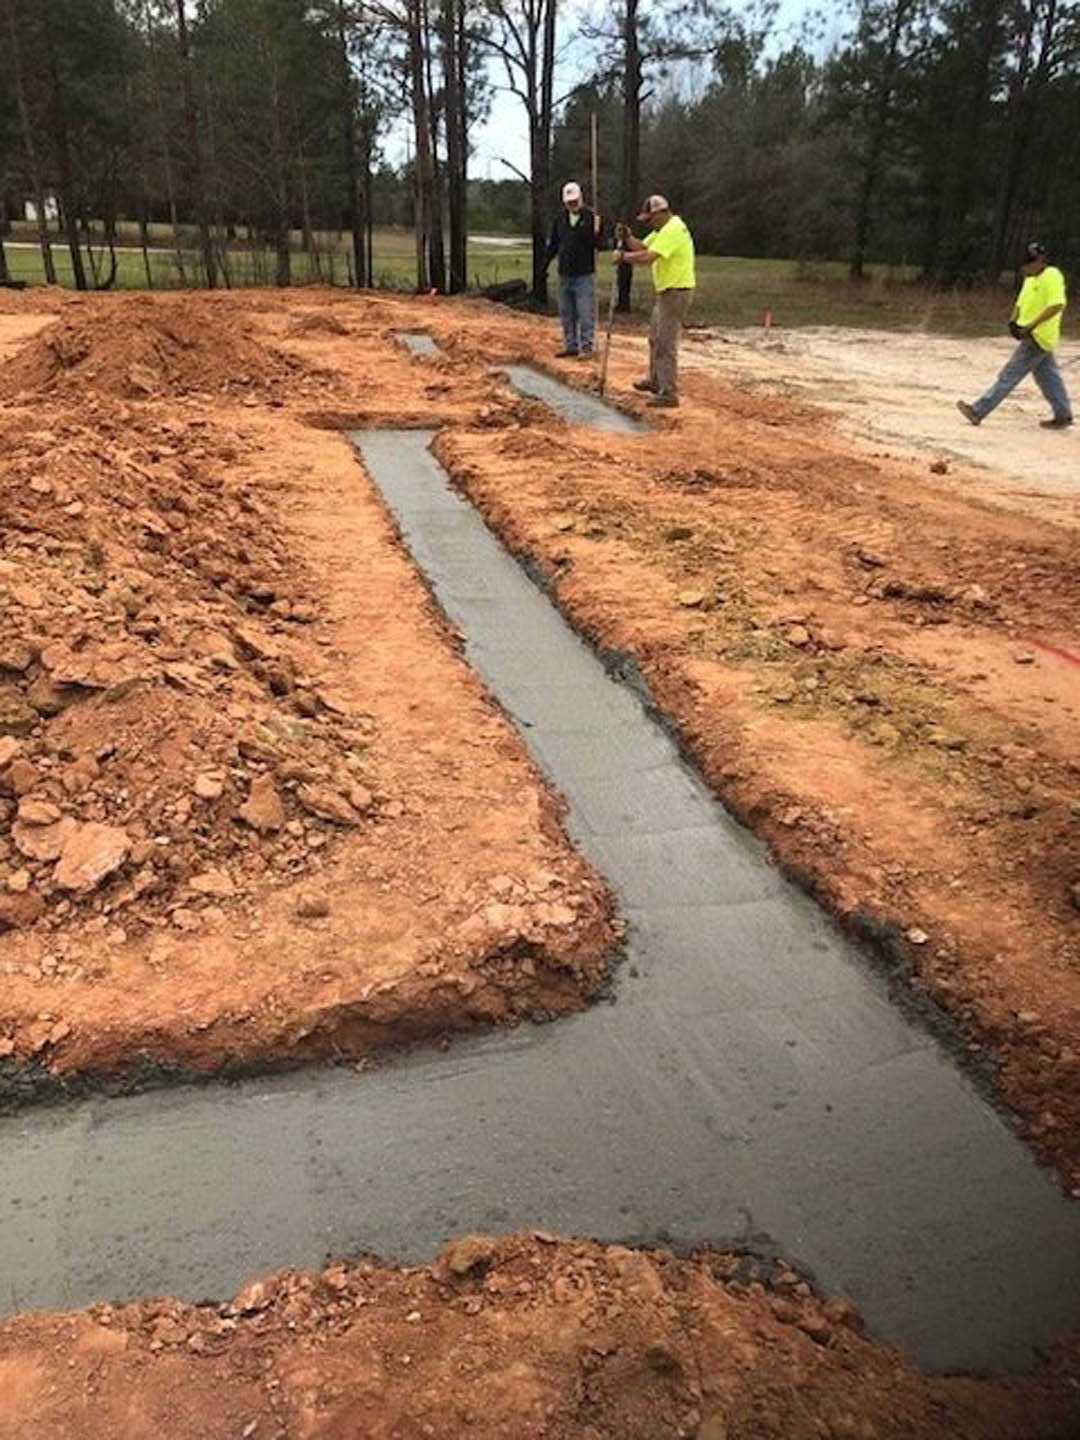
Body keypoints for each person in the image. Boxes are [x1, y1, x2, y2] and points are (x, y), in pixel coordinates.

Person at [957, 242, 1073, 431]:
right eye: (1024, 263)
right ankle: (1063, 415)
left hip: (1038, 336)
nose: (1025, 267)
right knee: (1049, 378)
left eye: (1030, 263)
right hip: (1029, 334)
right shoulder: (1030, 279)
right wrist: (1013, 321)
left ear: (1041, 260)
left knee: (1009, 375)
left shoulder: (1052, 276)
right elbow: (1020, 303)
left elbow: (1057, 305)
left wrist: (1031, 326)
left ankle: (978, 411)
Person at [616, 195, 696, 409]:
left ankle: (668, 392)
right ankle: (655, 380)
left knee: (665, 343)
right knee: (654, 338)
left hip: (676, 292)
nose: (649, 223)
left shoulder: (673, 229)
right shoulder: (662, 230)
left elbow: (649, 257)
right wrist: (628, 238)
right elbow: (642, 246)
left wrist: (624, 258)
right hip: (665, 292)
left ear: (661, 213)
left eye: (651, 218)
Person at [545, 181, 603, 359]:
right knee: (566, 313)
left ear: (581, 199)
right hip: (565, 273)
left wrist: (597, 232)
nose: (572, 205)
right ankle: (570, 345)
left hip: (584, 274)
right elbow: (554, 244)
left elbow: (600, 245)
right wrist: (545, 264)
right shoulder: (560, 219)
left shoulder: (591, 218)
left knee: (585, 313)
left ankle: (587, 346)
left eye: (575, 201)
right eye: (569, 202)